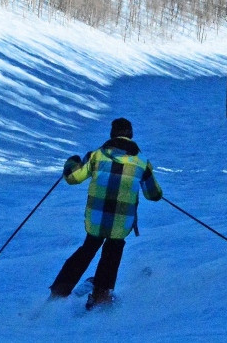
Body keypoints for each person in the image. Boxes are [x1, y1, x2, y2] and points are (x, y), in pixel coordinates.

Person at [49, 117, 162, 309]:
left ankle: (59, 291)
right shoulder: (142, 163)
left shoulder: (96, 156)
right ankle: (101, 295)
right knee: (113, 250)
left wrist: (72, 162)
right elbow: (154, 195)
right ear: (131, 136)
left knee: (87, 249)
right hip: (121, 222)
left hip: (96, 219)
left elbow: (73, 178)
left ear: (112, 135)